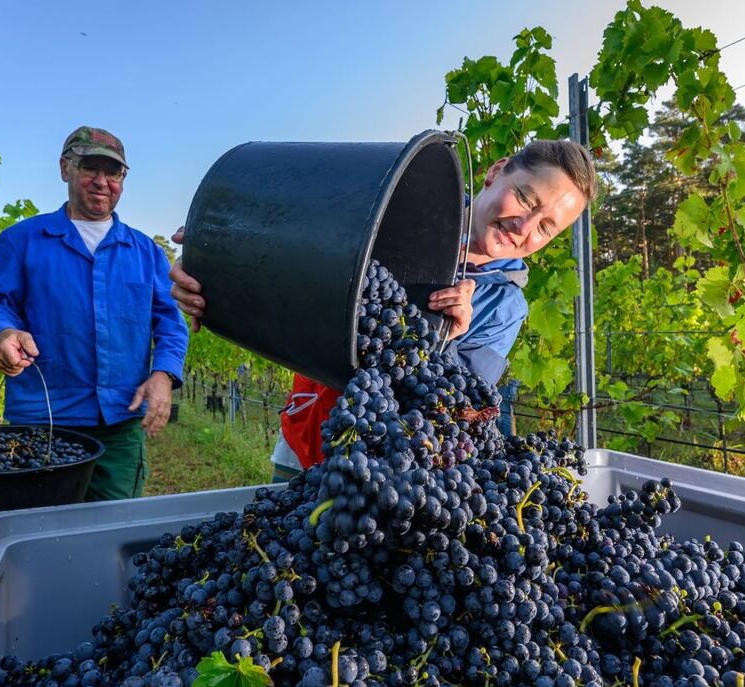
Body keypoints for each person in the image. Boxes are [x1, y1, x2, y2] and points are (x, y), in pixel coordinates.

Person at [169, 139, 596, 480]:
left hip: (376, 470)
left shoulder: (504, 304)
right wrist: (214, 264)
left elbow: (456, 414)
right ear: (496, 171)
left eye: (545, 227)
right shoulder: (406, 205)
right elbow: (299, 255)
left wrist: (446, 340)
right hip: (304, 428)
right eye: (524, 197)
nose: (523, 227)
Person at [0, 126, 189, 501]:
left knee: (112, 531)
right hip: (42, 422)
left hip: (119, 423)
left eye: (114, 173)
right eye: (90, 168)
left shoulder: (145, 252)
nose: (102, 182)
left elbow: (170, 321)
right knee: (40, 531)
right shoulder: (21, 240)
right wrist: (3, 334)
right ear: (65, 168)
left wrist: (164, 374)